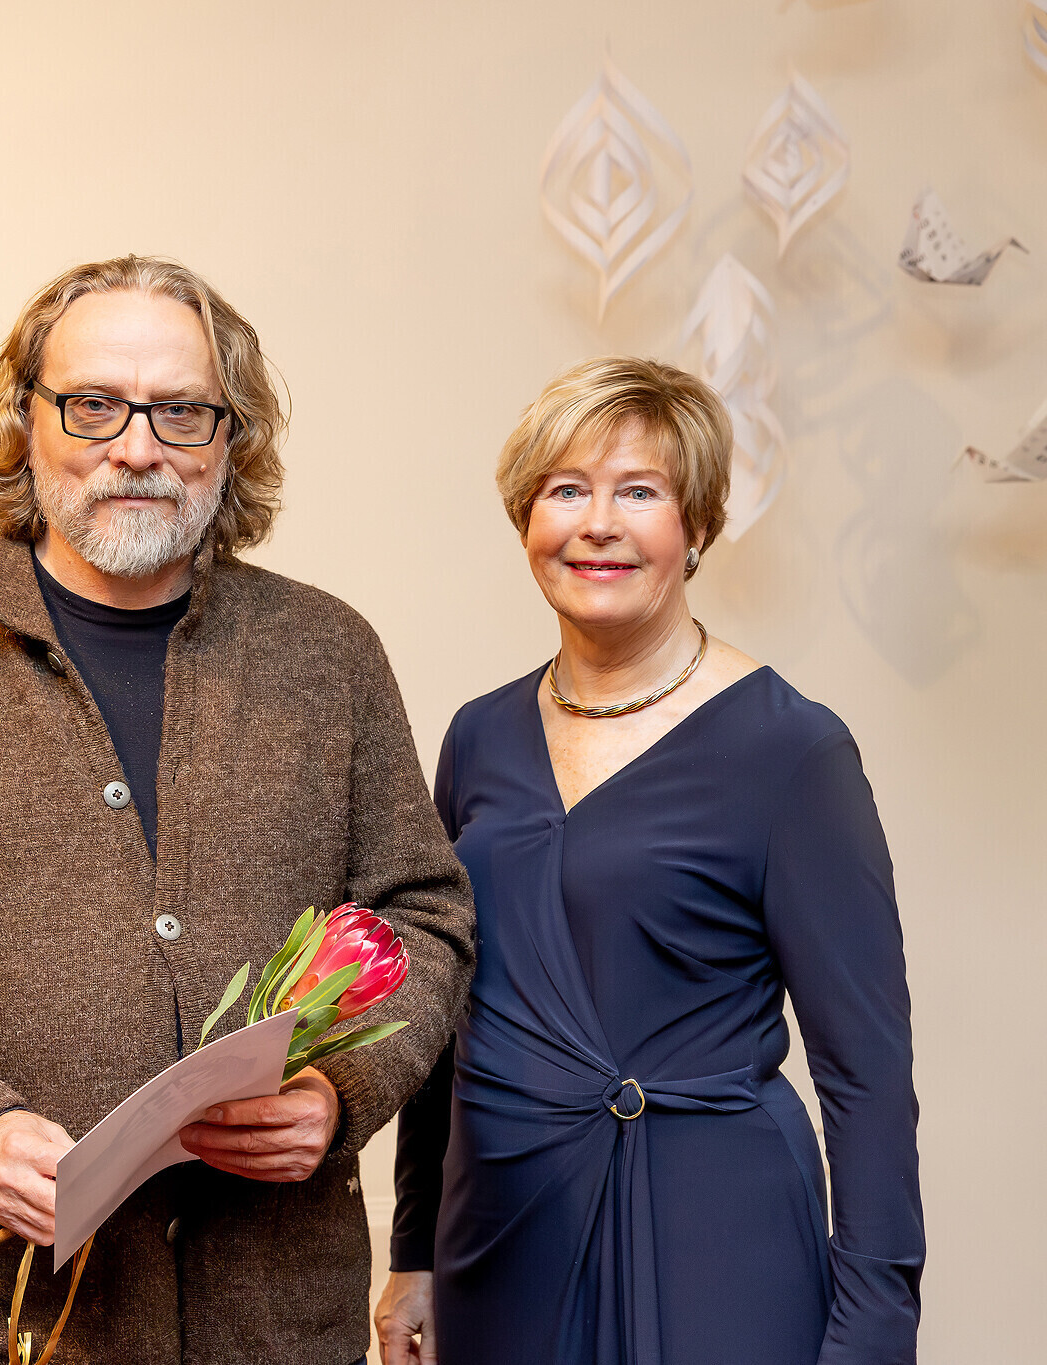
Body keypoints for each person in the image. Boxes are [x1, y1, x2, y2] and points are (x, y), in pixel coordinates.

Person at [0, 255, 475, 1364]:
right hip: (32, 1321)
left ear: (229, 439)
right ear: (26, 420)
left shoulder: (328, 652)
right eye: (92, 405)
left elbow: (425, 916)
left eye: (180, 411)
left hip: (280, 1318)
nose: (136, 447)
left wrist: (343, 1094)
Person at [374, 357, 923, 1365]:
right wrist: (413, 1250)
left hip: (713, 1237)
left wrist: (873, 1333)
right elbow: (439, 1014)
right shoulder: (477, 736)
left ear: (697, 526)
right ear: (525, 520)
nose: (597, 524)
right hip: (498, 1239)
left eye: (638, 492)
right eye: (564, 490)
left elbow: (867, 1074)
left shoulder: (790, 749)